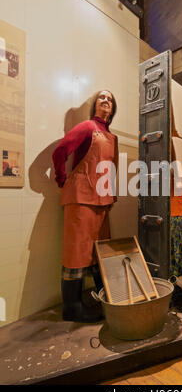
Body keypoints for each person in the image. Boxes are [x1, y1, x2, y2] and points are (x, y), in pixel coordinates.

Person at [52, 90, 118, 323]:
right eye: (102, 97)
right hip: (80, 199)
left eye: (110, 99)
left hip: (102, 202)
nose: (106, 101)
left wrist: (113, 197)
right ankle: (72, 308)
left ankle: (104, 298)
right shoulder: (87, 127)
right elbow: (60, 151)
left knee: (100, 253)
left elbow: (112, 170)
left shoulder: (112, 137)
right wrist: (62, 180)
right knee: (77, 254)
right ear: (95, 105)